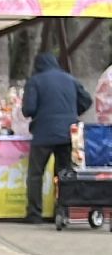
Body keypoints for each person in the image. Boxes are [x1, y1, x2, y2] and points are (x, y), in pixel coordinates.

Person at [21, 50, 93, 222]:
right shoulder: (70, 79)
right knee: (63, 174)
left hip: (43, 134)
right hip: (67, 133)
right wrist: (73, 113)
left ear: (38, 65)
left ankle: (34, 214)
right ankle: (62, 212)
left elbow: (28, 110)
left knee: (35, 174)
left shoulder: (35, 81)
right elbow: (87, 100)